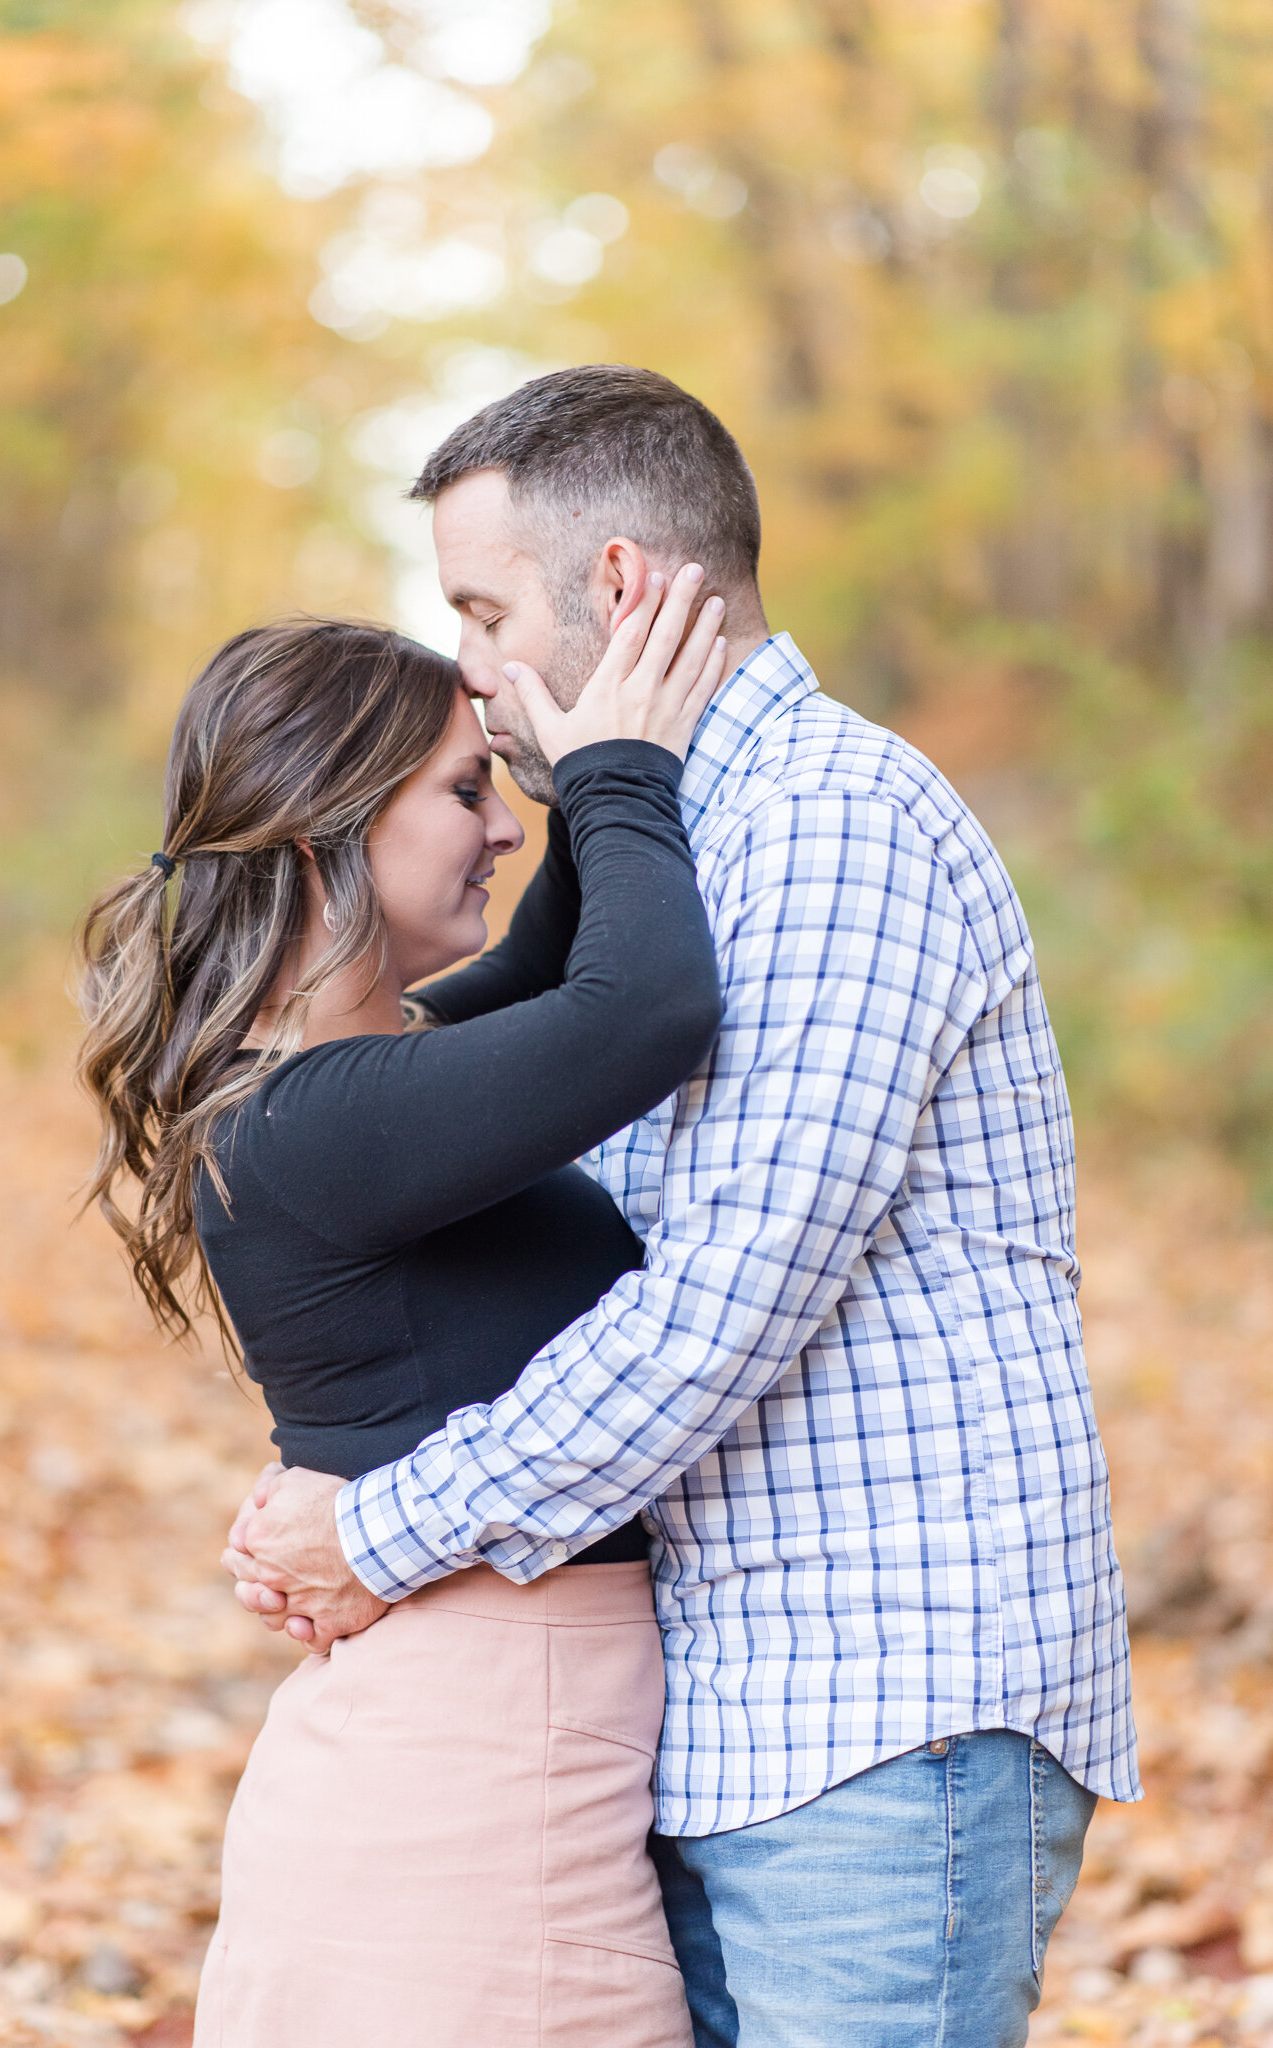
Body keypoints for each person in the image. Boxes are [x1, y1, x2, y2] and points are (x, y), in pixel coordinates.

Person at [227, 365, 1141, 2048]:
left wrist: (384, 1527)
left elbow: (721, 1304)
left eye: (482, 610)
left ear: (625, 588)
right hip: (731, 1712)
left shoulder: (829, 833)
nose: (474, 670)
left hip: (885, 1711)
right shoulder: (678, 853)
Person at [76, 581, 731, 2047]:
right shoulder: (326, 1119)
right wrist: (621, 774)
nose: (503, 827)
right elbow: (637, 1009)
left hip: (478, 1763)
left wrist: (582, 736)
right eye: (463, 793)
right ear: (329, 836)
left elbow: (564, 960)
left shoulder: (348, 1073)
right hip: (473, 1799)